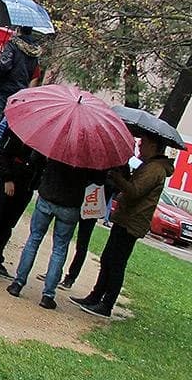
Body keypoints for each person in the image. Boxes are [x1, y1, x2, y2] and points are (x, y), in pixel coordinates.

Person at [72, 134, 176, 317]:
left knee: (116, 262)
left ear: (153, 146)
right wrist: (125, 175)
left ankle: (106, 304)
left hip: (132, 222)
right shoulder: (149, 166)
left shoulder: (155, 169)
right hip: (126, 218)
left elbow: (135, 191)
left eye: (143, 144)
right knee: (107, 258)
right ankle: (95, 296)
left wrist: (118, 178)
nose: (140, 147)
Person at [7, 159, 91, 309]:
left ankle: (17, 283)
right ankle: (48, 295)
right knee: (59, 248)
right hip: (70, 203)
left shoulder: (58, 143)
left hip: (48, 194)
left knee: (34, 239)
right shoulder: (90, 154)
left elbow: (39, 161)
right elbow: (97, 179)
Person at [0, 129, 44, 278]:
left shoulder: (46, 138)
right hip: (10, 177)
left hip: (27, 182)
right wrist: (7, 178)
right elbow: (2, 154)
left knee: (8, 223)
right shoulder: (20, 129)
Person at [0, 28, 41, 166]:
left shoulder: (12, 45)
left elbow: (5, 66)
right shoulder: (35, 53)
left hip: (2, 87)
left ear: (18, 30)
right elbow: (32, 73)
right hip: (18, 91)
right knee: (5, 126)